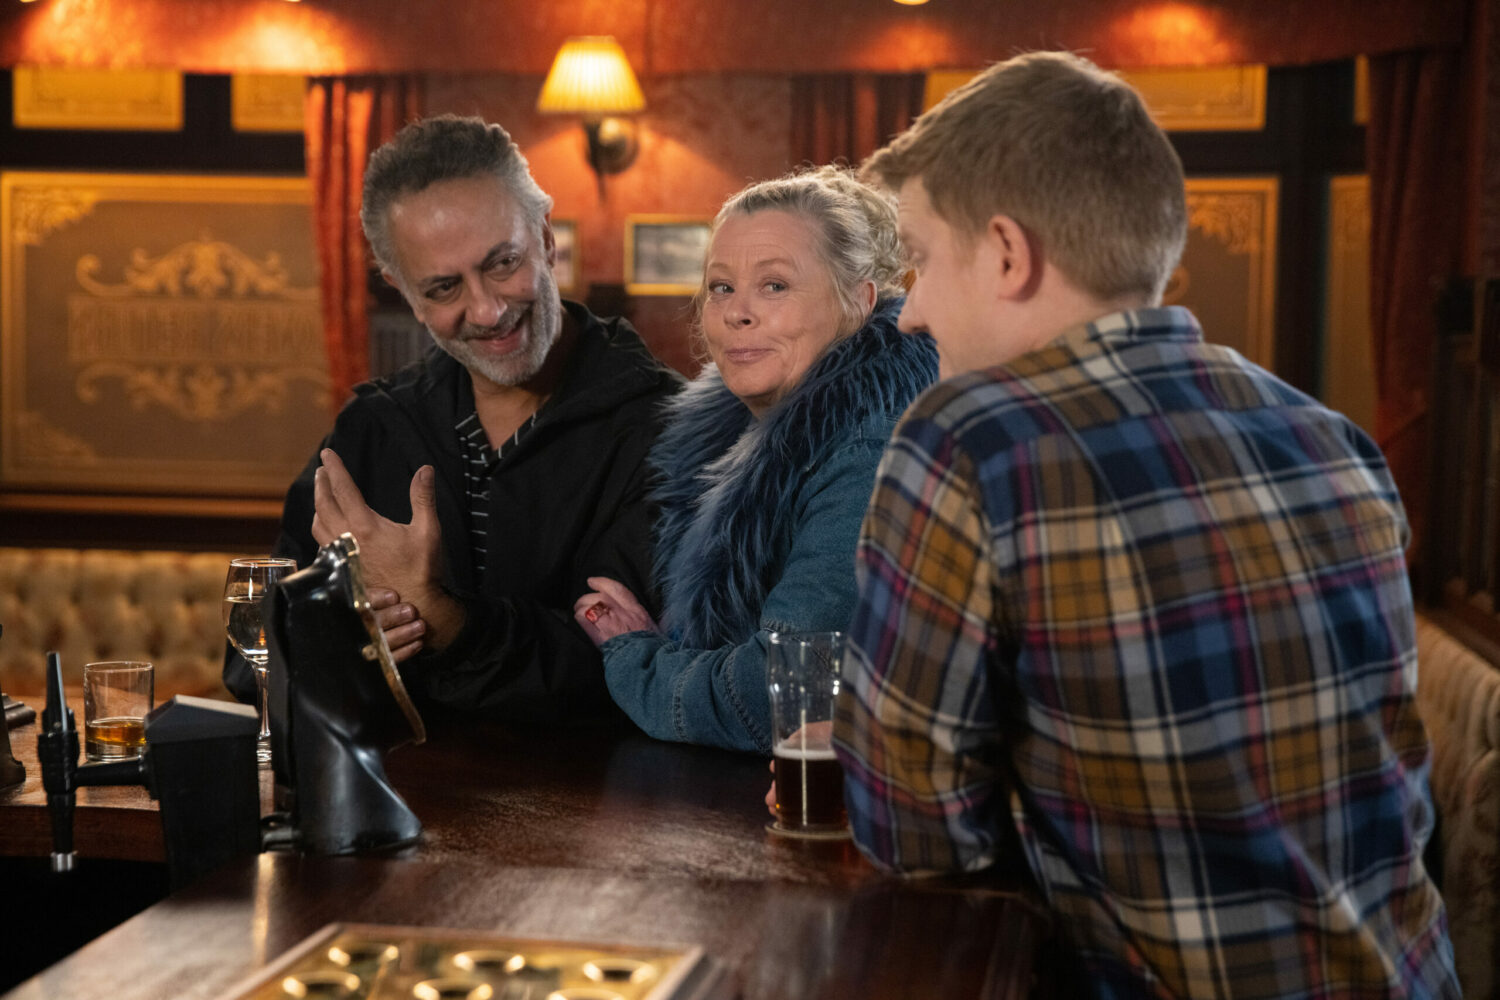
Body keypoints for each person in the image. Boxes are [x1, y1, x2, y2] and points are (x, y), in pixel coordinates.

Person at [835, 52, 1460, 998]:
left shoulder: (966, 440)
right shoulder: (1333, 435)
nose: (911, 311)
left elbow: (913, 835)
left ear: (1007, 253)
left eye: (921, 260)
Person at [225, 114, 682, 726]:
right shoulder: (373, 427)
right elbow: (247, 662)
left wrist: (438, 620)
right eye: (443, 288)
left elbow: (625, 676)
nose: (488, 310)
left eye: (502, 263)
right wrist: (341, 633)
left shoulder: (673, 430)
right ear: (403, 290)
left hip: (609, 812)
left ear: (545, 237)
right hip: (400, 808)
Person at [572, 166, 937, 753]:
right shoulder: (732, 434)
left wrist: (636, 658)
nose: (737, 312)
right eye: (721, 287)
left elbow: (788, 695)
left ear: (859, 301)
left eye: (775, 286)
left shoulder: (873, 448)